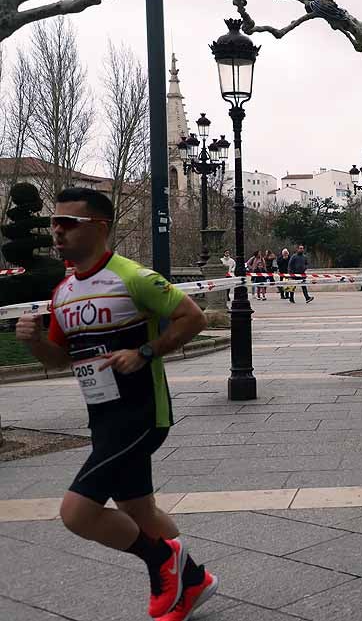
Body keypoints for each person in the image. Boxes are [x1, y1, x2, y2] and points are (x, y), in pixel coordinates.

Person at [15, 187, 217, 620]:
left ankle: (162, 564)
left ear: (100, 228)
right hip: (102, 415)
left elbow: (194, 317)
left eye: (68, 223)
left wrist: (143, 353)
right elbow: (61, 359)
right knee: (138, 509)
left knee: (77, 513)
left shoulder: (134, 277)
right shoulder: (63, 292)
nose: (57, 230)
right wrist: (34, 343)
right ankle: (192, 579)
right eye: (54, 222)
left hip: (141, 412)